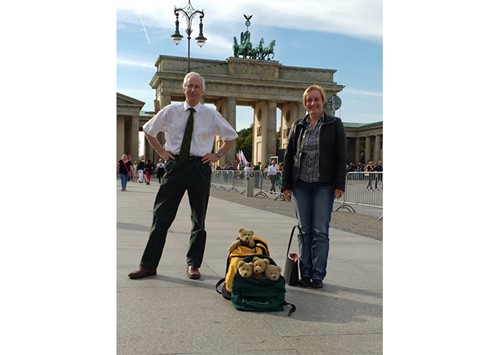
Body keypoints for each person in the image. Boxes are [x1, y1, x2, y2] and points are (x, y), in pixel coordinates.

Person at [128, 72, 238, 280]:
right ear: (183, 89)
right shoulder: (171, 111)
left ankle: (193, 264)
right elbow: (149, 130)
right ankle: (148, 264)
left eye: (197, 86)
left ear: (203, 91)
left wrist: (218, 154)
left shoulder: (211, 114)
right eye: (190, 86)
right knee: (161, 216)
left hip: (199, 167)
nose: (193, 90)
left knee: (199, 219)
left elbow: (230, 136)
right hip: (175, 166)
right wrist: (161, 152)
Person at [281, 84, 347, 289]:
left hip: (323, 185)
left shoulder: (334, 124)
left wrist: (340, 184)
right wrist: (286, 185)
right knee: (305, 230)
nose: (313, 103)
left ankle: (318, 275)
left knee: (320, 231)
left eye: (316, 99)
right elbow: (290, 157)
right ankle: (306, 273)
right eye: (309, 100)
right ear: (304, 103)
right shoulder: (298, 126)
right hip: (301, 184)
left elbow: (341, 155)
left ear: (323, 100)